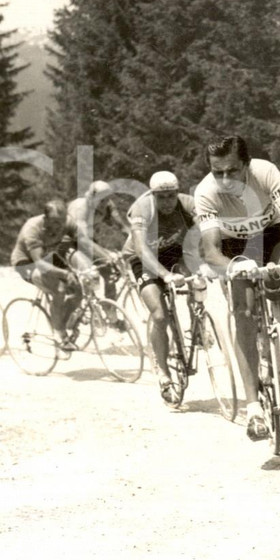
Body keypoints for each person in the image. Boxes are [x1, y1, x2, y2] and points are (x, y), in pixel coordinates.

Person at [195, 135, 280, 441]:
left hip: (270, 232)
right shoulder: (205, 192)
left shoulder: (265, 171)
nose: (225, 179)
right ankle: (253, 407)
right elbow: (211, 250)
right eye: (218, 172)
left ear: (246, 164)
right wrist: (231, 268)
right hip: (233, 244)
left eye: (232, 170)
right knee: (243, 311)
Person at [121, 171, 197, 407]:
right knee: (159, 315)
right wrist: (165, 275)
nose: (167, 202)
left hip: (174, 253)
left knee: (197, 280)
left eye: (171, 196)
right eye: (161, 197)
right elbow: (142, 250)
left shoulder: (188, 205)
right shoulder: (142, 209)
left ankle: (199, 327)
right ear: (153, 195)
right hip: (142, 259)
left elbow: (207, 233)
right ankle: (163, 374)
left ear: (178, 193)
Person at [10, 198, 95, 351]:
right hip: (27, 262)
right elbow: (40, 263)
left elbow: (85, 243)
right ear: (45, 218)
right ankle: (59, 334)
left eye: (62, 221)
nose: (59, 226)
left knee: (78, 290)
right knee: (59, 289)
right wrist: (64, 273)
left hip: (49, 256)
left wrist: (106, 257)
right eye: (55, 222)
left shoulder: (67, 222)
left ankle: (63, 321)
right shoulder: (33, 229)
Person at [66, 181, 132, 307]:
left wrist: (136, 241)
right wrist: (107, 254)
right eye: (100, 201)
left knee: (110, 272)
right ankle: (87, 307)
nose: (104, 204)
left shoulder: (107, 204)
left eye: (106, 200)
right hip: (69, 242)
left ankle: (110, 312)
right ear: (91, 198)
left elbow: (122, 227)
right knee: (89, 273)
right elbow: (82, 241)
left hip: (87, 240)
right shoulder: (81, 208)